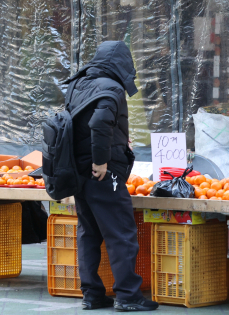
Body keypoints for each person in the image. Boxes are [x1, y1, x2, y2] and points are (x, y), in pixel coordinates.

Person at [65, 41, 158, 312]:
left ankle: (92, 293)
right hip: (103, 173)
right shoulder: (113, 88)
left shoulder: (78, 84)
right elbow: (99, 123)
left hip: (77, 170)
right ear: (121, 64)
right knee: (121, 232)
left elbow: (83, 123)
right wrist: (101, 161)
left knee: (89, 232)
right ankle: (128, 295)